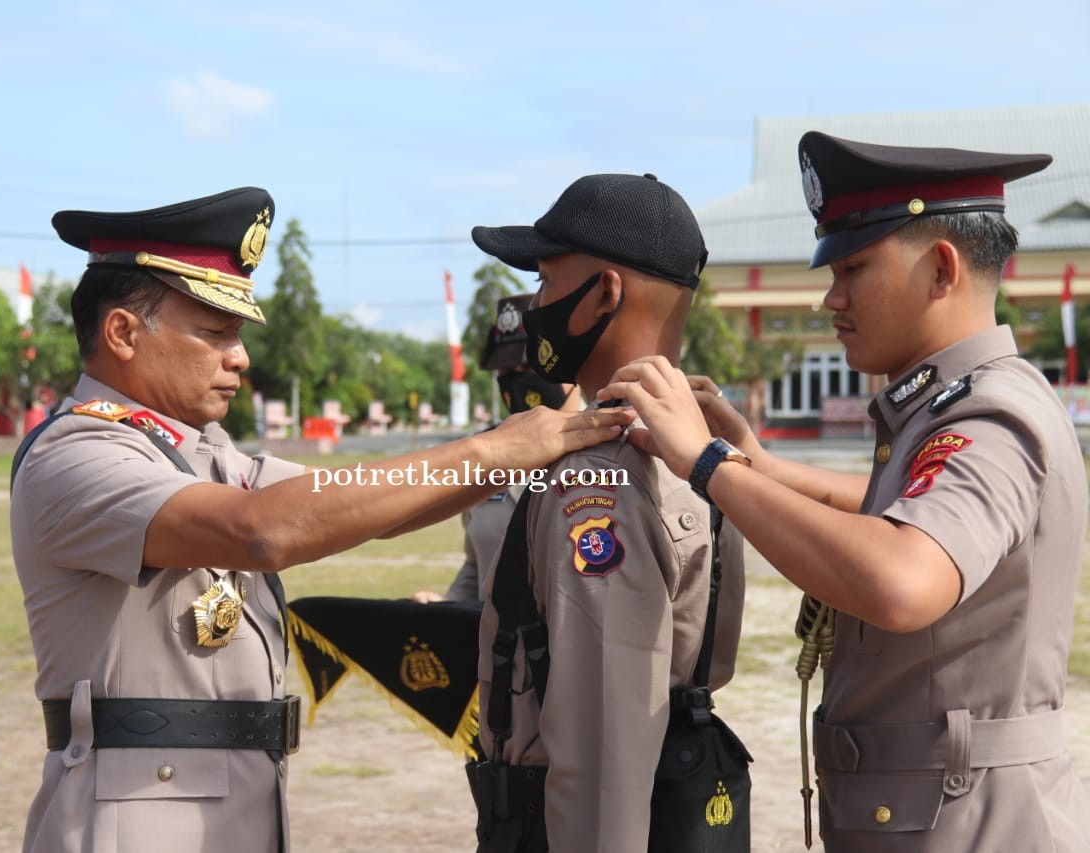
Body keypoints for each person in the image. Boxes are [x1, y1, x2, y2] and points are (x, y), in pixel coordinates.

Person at [9, 186, 630, 853]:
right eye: (215, 332)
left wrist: (523, 450)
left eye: (237, 335)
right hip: (131, 824)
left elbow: (359, 500)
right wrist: (492, 449)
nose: (239, 356)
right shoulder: (75, 453)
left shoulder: (199, 452)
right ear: (123, 333)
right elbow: (258, 529)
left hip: (226, 813)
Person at [601, 133, 1090, 851]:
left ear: (941, 269)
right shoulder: (947, 406)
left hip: (968, 824)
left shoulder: (988, 414)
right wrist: (756, 464)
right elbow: (892, 510)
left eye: (854, 266)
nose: (831, 296)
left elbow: (901, 576)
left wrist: (706, 461)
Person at [466, 173, 746, 852]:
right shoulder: (706, 446)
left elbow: (601, 754)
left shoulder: (601, 471)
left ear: (606, 292)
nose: (534, 305)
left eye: (547, 280)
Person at [413, 293, 579, 604]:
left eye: (527, 364)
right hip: (498, 651)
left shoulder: (611, 457)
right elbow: (478, 566)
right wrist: (447, 607)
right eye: (505, 370)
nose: (514, 379)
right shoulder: (481, 456)